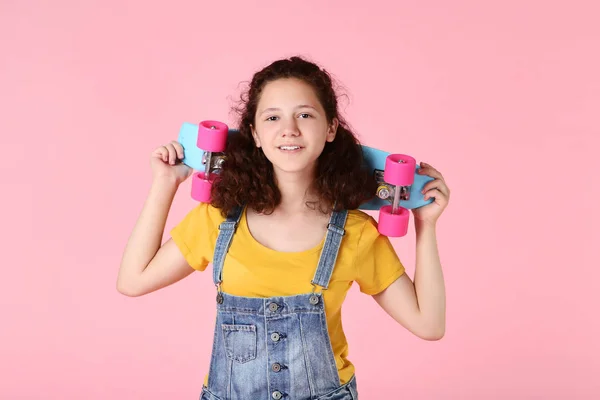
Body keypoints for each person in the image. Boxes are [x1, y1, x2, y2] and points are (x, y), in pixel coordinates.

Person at [117, 56, 450, 400]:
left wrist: (426, 225)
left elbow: (429, 324)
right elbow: (133, 280)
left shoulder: (356, 232)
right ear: (255, 135)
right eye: (272, 117)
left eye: (305, 115)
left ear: (331, 128)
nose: (289, 129)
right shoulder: (219, 220)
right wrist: (165, 183)